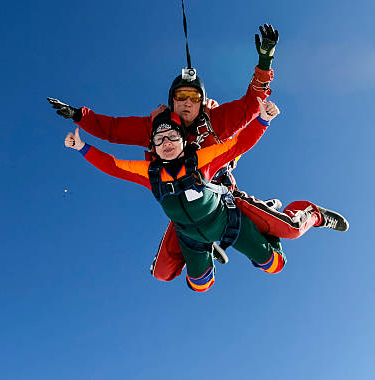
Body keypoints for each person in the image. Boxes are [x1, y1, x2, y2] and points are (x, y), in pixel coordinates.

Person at [48, 24, 280, 279]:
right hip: (180, 201)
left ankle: (261, 219)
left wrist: (265, 60)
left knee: (272, 250)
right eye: (181, 96)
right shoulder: (157, 129)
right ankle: (203, 245)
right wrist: (80, 116)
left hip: (216, 191)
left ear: (202, 102)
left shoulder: (216, 120)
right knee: (165, 274)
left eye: (194, 98)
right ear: (172, 101)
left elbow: (251, 105)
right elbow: (113, 130)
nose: (187, 103)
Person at [63, 101, 349, 293]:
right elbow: (113, 166)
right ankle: (209, 250)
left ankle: (311, 212)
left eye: (173, 137)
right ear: (151, 146)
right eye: (160, 140)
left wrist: (262, 120)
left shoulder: (201, 159)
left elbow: (237, 144)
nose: (167, 144)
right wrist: (82, 147)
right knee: (198, 284)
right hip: (192, 235)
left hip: (228, 217)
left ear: (183, 141)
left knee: (277, 259)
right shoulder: (149, 173)